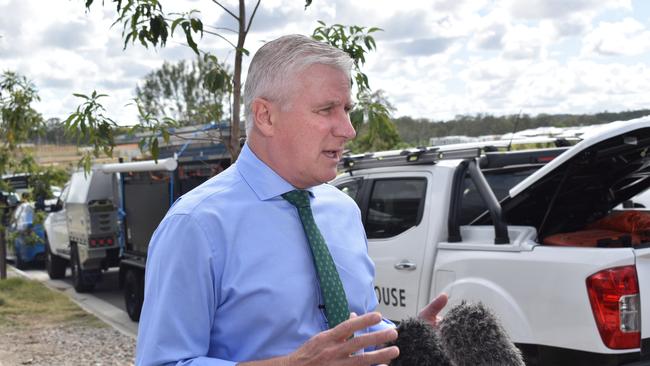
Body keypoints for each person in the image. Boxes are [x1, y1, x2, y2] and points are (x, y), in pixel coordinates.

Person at [136, 34, 448, 366]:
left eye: (346, 109)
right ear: (266, 116)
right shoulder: (196, 225)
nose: (348, 129)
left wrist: (403, 339)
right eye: (327, 109)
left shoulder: (344, 211)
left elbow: (355, 328)